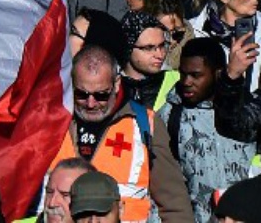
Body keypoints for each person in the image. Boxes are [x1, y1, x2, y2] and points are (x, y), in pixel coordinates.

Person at [48, 45, 192, 223]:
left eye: (100, 95)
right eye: (82, 94)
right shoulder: (53, 122)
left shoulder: (145, 124)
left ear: (116, 84)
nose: (90, 103)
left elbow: (174, 204)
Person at [156, 37, 254, 223]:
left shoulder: (244, 110)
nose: (186, 81)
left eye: (196, 75)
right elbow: (160, 185)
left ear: (217, 74)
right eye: (183, 74)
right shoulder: (169, 115)